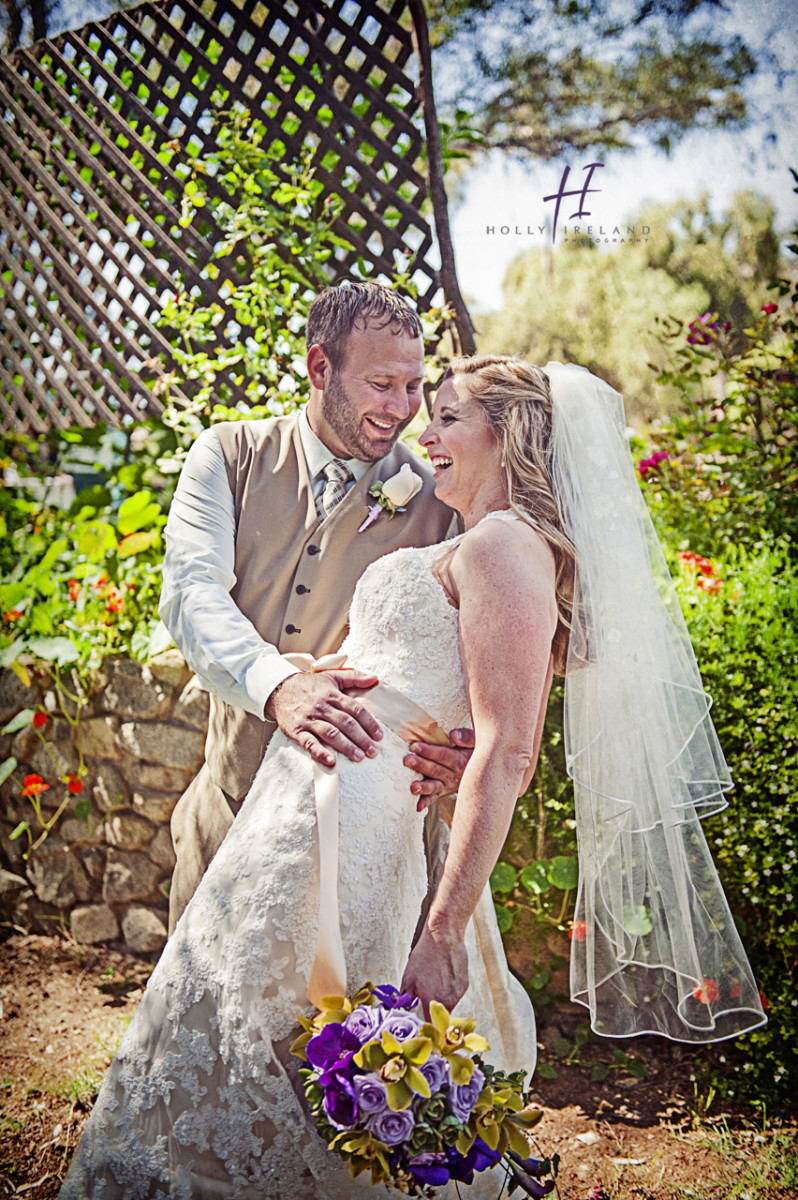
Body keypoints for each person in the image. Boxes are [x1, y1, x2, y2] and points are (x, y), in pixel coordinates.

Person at [59, 357, 765, 1199]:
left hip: (360, 828)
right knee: (247, 1032)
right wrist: (314, 673)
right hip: (316, 811)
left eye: (449, 418)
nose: (422, 434)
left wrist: (442, 931)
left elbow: (508, 750)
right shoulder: (477, 537)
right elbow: (430, 682)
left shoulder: (506, 543)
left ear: (508, 438)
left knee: (306, 1048)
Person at [160, 281, 471, 933]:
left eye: (414, 387)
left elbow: (481, 646)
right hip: (230, 809)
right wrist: (281, 688)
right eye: (382, 384)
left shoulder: (442, 503)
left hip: (371, 837)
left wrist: (465, 749)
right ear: (320, 366)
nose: (403, 409)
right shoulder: (227, 455)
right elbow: (191, 594)